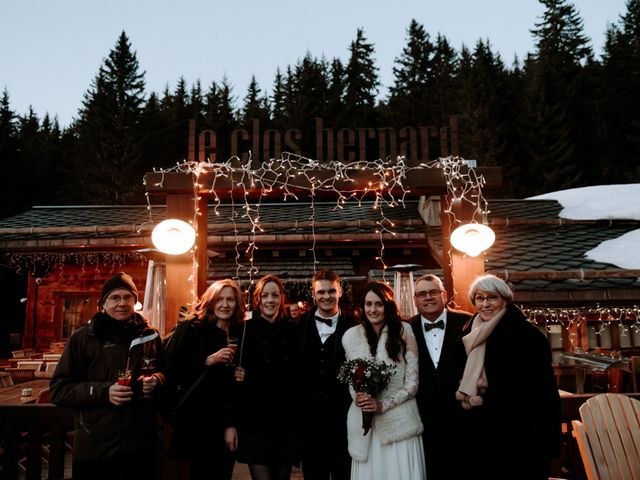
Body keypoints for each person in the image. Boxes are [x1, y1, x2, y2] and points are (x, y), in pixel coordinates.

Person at [50, 272, 163, 480]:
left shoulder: (150, 336)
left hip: (140, 445)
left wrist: (157, 381)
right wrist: (104, 391)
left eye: (127, 297)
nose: (121, 303)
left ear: (135, 302)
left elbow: (165, 373)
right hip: (96, 446)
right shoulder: (84, 337)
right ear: (103, 303)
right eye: (114, 297)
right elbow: (59, 390)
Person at [456, 274, 561, 480]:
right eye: (479, 298)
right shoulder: (468, 332)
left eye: (491, 297)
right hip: (480, 434)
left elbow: (545, 392)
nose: (485, 304)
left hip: (520, 434)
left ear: (504, 299)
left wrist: (548, 443)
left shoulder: (527, 334)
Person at [162, 279, 246, 480]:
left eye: (230, 300)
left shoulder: (240, 331)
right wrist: (206, 360)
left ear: (237, 303)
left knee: (224, 473)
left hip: (226, 419)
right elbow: (171, 368)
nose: (225, 305)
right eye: (219, 299)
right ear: (210, 301)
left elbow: (237, 383)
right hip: (198, 421)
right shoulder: (193, 328)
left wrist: (243, 375)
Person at [342, 281, 425, 480]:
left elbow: (412, 384)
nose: (373, 309)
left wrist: (382, 405)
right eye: (368, 304)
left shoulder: (404, 331)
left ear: (388, 305)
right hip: (365, 427)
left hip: (400, 423)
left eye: (378, 304)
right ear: (362, 307)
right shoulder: (350, 336)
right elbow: (351, 378)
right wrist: (359, 398)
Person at [234, 275, 300, 480]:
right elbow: (236, 369)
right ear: (258, 299)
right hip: (256, 421)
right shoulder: (246, 329)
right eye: (265, 296)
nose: (270, 300)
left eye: (274, 295)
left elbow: (297, 373)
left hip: (285, 421)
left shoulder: (293, 330)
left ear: (281, 298)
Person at [409, 274, 471, 480]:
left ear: (444, 295)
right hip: (422, 417)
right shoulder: (405, 328)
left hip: (462, 417)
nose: (428, 297)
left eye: (433, 292)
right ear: (415, 299)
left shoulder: (467, 322)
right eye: (422, 294)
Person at [297, 270, 355, 480]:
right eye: (321, 292)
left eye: (332, 291)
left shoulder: (354, 325)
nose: (327, 296)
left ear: (340, 291)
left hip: (344, 421)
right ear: (314, 294)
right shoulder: (300, 326)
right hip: (309, 422)